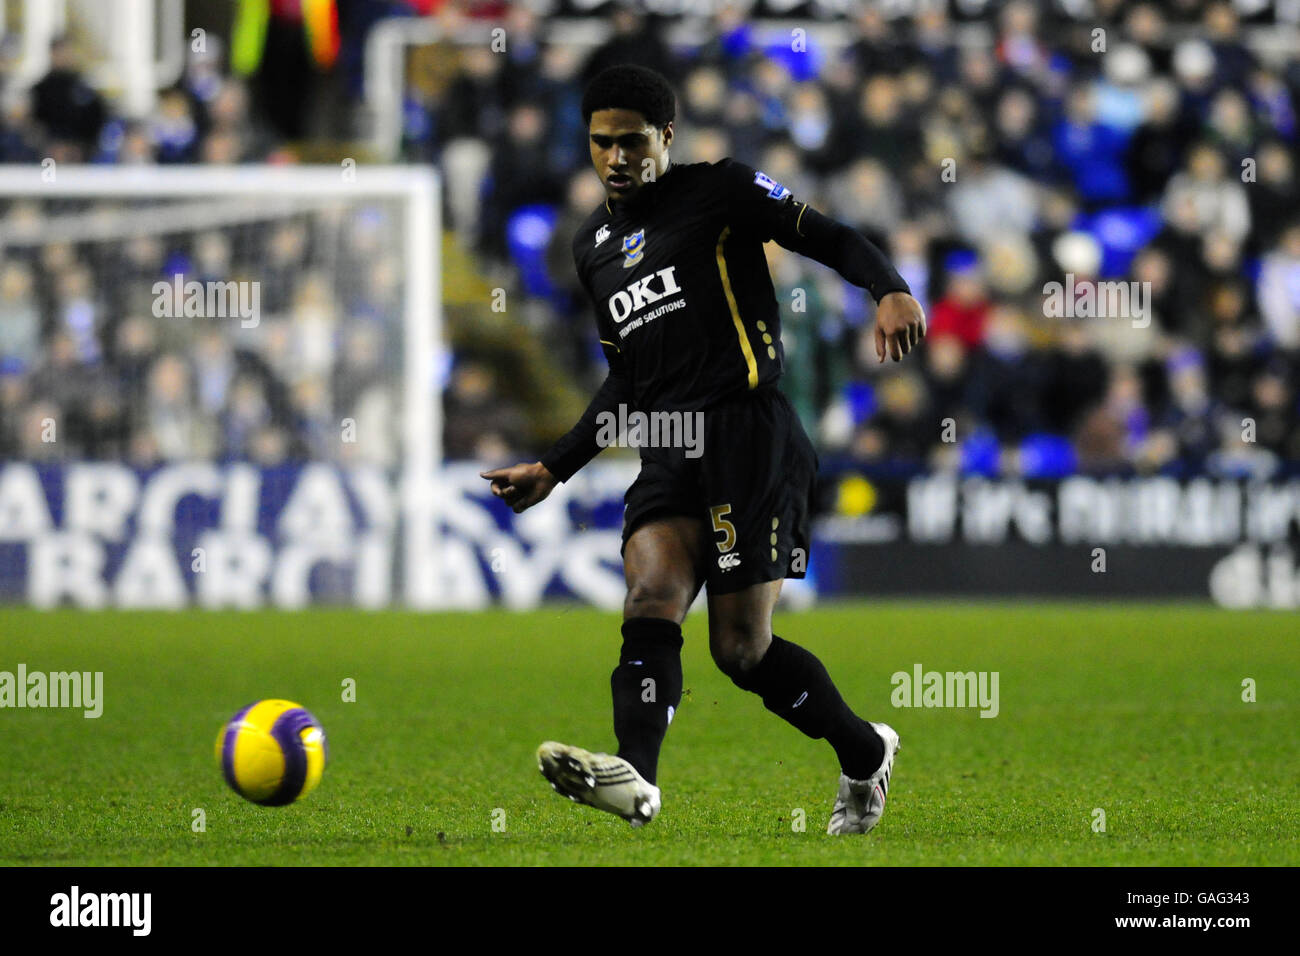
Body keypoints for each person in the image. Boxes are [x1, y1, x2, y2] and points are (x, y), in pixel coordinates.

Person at [481, 65, 926, 834]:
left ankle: (864, 754)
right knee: (650, 597)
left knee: (742, 651)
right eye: (601, 143)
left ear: (667, 138)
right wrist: (555, 467)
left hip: (748, 434)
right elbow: (627, 376)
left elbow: (824, 234)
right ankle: (638, 781)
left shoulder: (720, 190)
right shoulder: (592, 245)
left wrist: (887, 286)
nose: (616, 158)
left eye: (632, 142)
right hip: (667, 443)